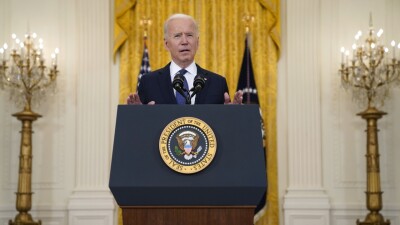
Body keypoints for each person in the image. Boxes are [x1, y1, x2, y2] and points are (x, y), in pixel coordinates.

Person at [127, 13, 243, 105]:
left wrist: (232, 114)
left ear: (197, 43)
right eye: (177, 36)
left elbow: (223, 126)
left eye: (189, 35)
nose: (184, 41)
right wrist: (138, 114)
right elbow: (141, 127)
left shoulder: (217, 83)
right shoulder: (149, 82)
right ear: (167, 44)